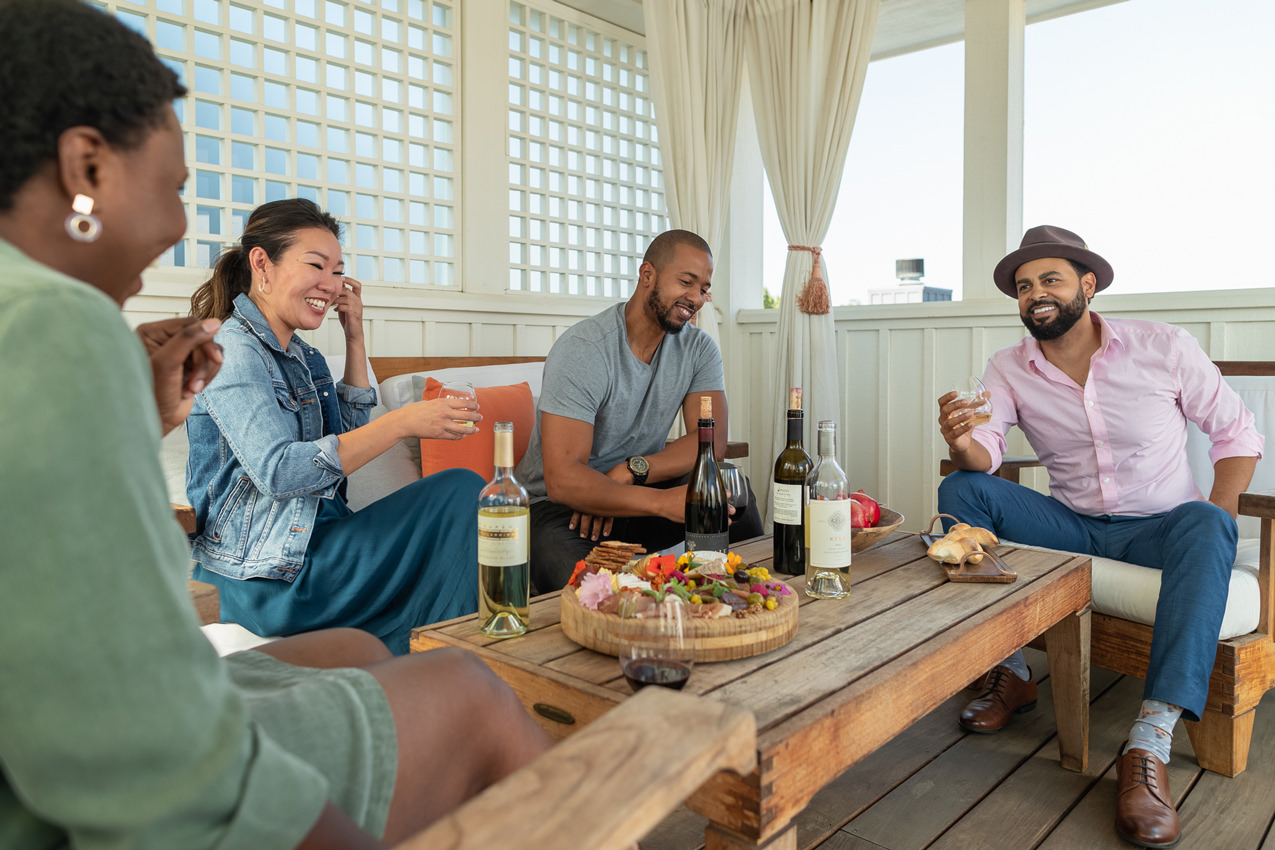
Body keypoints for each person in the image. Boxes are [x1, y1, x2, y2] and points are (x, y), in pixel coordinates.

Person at [0, 2, 550, 848]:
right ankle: (467, 675)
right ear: (84, 165)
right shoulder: (71, 327)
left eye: (339, 268)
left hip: (96, 698)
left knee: (364, 652)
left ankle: (431, 674)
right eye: (177, 187)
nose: (184, 224)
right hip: (257, 585)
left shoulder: (282, 351)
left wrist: (145, 416)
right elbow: (287, 474)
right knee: (470, 686)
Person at [936, 225, 1262, 849]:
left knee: (1205, 520)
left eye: (1050, 280)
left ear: (1087, 285)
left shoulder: (1161, 347)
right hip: (1074, 525)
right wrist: (961, 442)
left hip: (1161, 528)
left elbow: (1237, 433)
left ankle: (1149, 744)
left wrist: (1219, 514)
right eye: (1025, 286)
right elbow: (988, 453)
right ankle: (1009, 671)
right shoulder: (1008, 366)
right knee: (961, 490)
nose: (1036, 295)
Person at [185, 198, 483, 654]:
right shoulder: (232, 351)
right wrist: (403, 422)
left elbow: (346, 435)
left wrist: (355, 334)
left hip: (316, 545)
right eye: (316, 266)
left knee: (462, 494)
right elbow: (281, 472)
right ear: (261, 264)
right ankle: (450, 661)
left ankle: (447, 661)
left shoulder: (304, 357)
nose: (331, 283)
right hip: (262, 575)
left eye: (338, 270)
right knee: (459, 491)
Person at [516, 229, 764, 591]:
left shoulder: (699, 349)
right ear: (647, 275)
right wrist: (663, 502)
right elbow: (563, 479)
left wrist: (634, 470)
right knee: (585, 586)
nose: (696, 298)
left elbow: (710, 441)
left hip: (635, 489)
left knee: (726, 488)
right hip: (561, 509)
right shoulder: (585, 349)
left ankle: (754, 598)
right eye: (686, 282)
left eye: (704, 288)